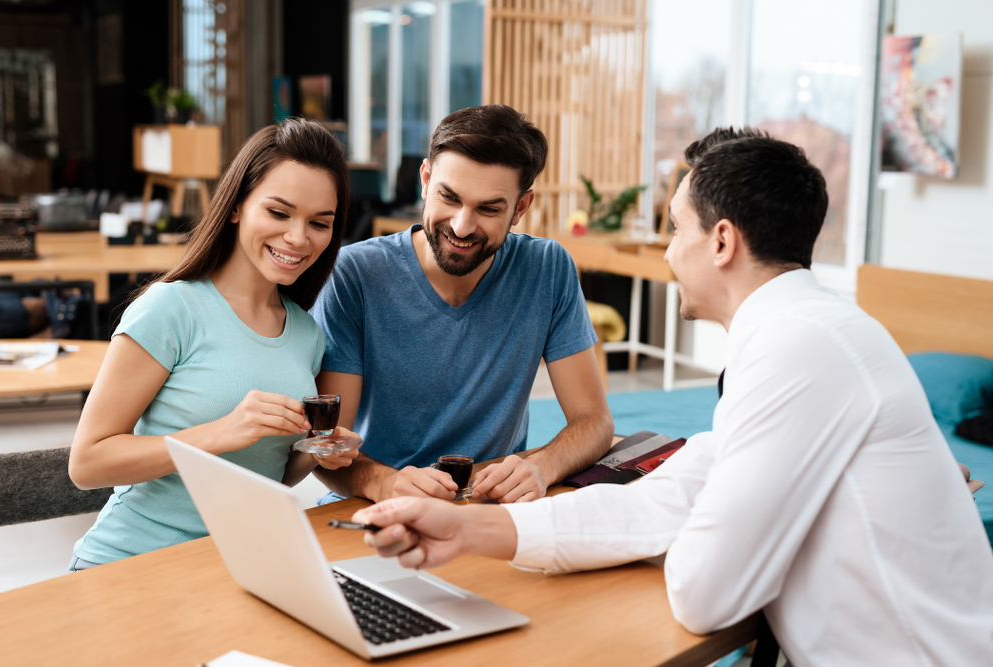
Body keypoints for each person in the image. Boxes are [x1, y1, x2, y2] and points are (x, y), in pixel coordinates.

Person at [351, 128, 993, 666]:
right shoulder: (806, 332)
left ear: (720, 242)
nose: (665, 251)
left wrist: (699, 525)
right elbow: (662, 497)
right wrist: (468, 530)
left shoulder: (798, 348)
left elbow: (704, 592)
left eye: (674, 228)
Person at [67, 119, 360, 569]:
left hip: (235, 566)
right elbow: (87, 463)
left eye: (319, 223)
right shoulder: (172, 308)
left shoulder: (306, 332)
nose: (299, 238)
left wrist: (315, 451)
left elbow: (268, 475)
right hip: (132, 563)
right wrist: (221, 433)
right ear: (237, 206)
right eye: (279, 213)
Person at [309, 105, 613, 504]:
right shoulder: (355, 275)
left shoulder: (547, 269)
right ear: (426, 179)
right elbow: (326, 449)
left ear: (521, 207)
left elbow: (594, 421)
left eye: (489, 208)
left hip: (488, 507)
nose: (462, 226)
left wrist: (543, 466)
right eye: (448, 197)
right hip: (377, 508)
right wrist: (383, 483)